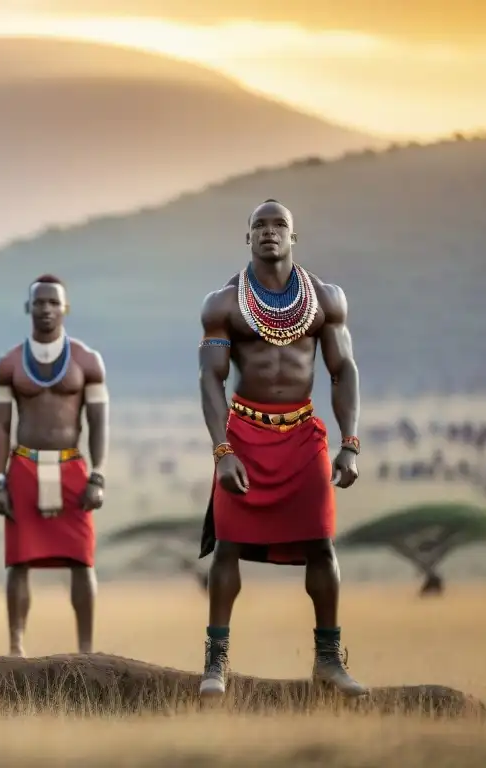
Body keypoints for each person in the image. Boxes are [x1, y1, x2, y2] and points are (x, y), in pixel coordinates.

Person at [196, 199, 366, 699]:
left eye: (280, 225)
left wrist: (350, 443)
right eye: (259, 226)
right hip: (245, 434)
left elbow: (343, 371)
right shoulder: (224, 304)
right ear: (246, 238)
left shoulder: (326, 300)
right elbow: (210, 378)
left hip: (302, 435)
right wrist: (222, 450)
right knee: (228, 545)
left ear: (295, 237)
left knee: (321, 543)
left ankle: (329, 661)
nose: (270, 233)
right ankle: (216, 662)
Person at [0, 275, 108, 656]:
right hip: (22, 466)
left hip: (73, 466)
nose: (45, 309)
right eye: (38, 302)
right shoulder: (8, 364)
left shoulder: (87, 361)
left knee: (82, 559)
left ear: (65, 309)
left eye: (53, 303)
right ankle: (15, 648)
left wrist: (98, 475)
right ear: (29, 308)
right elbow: (1, 424)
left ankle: (87, 651)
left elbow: (98, 422)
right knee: (18, 560)